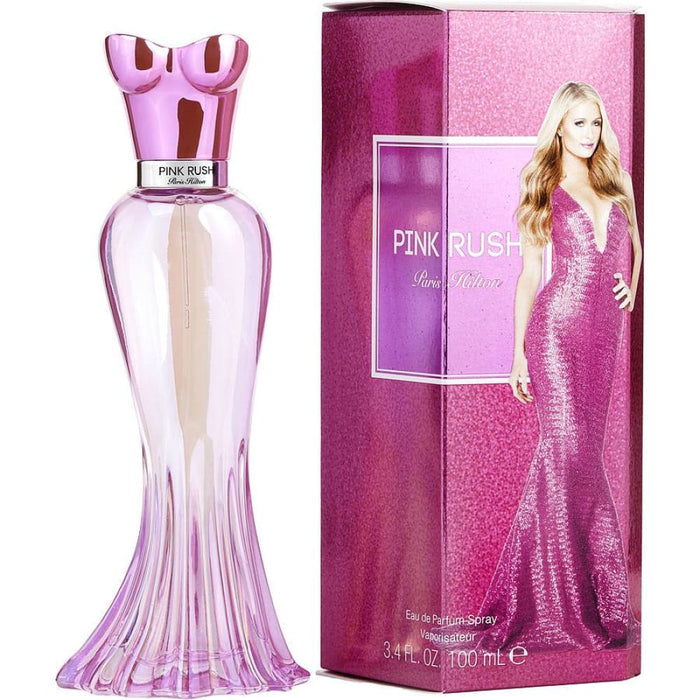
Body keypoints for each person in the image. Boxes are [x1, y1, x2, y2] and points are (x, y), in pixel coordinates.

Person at [478, 82, 642, 651]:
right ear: (559, 127)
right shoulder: (545, 184)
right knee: (569, 450)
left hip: (604, 338)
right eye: (578, 123)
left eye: (595, 123)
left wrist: (631, 287)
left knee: (579, 457)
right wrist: (518, 352)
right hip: (555, 332)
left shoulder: (617, 183)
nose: (589, 133)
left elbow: (636, 246)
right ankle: (571, 599)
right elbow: (529, 275)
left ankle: (578, 597)